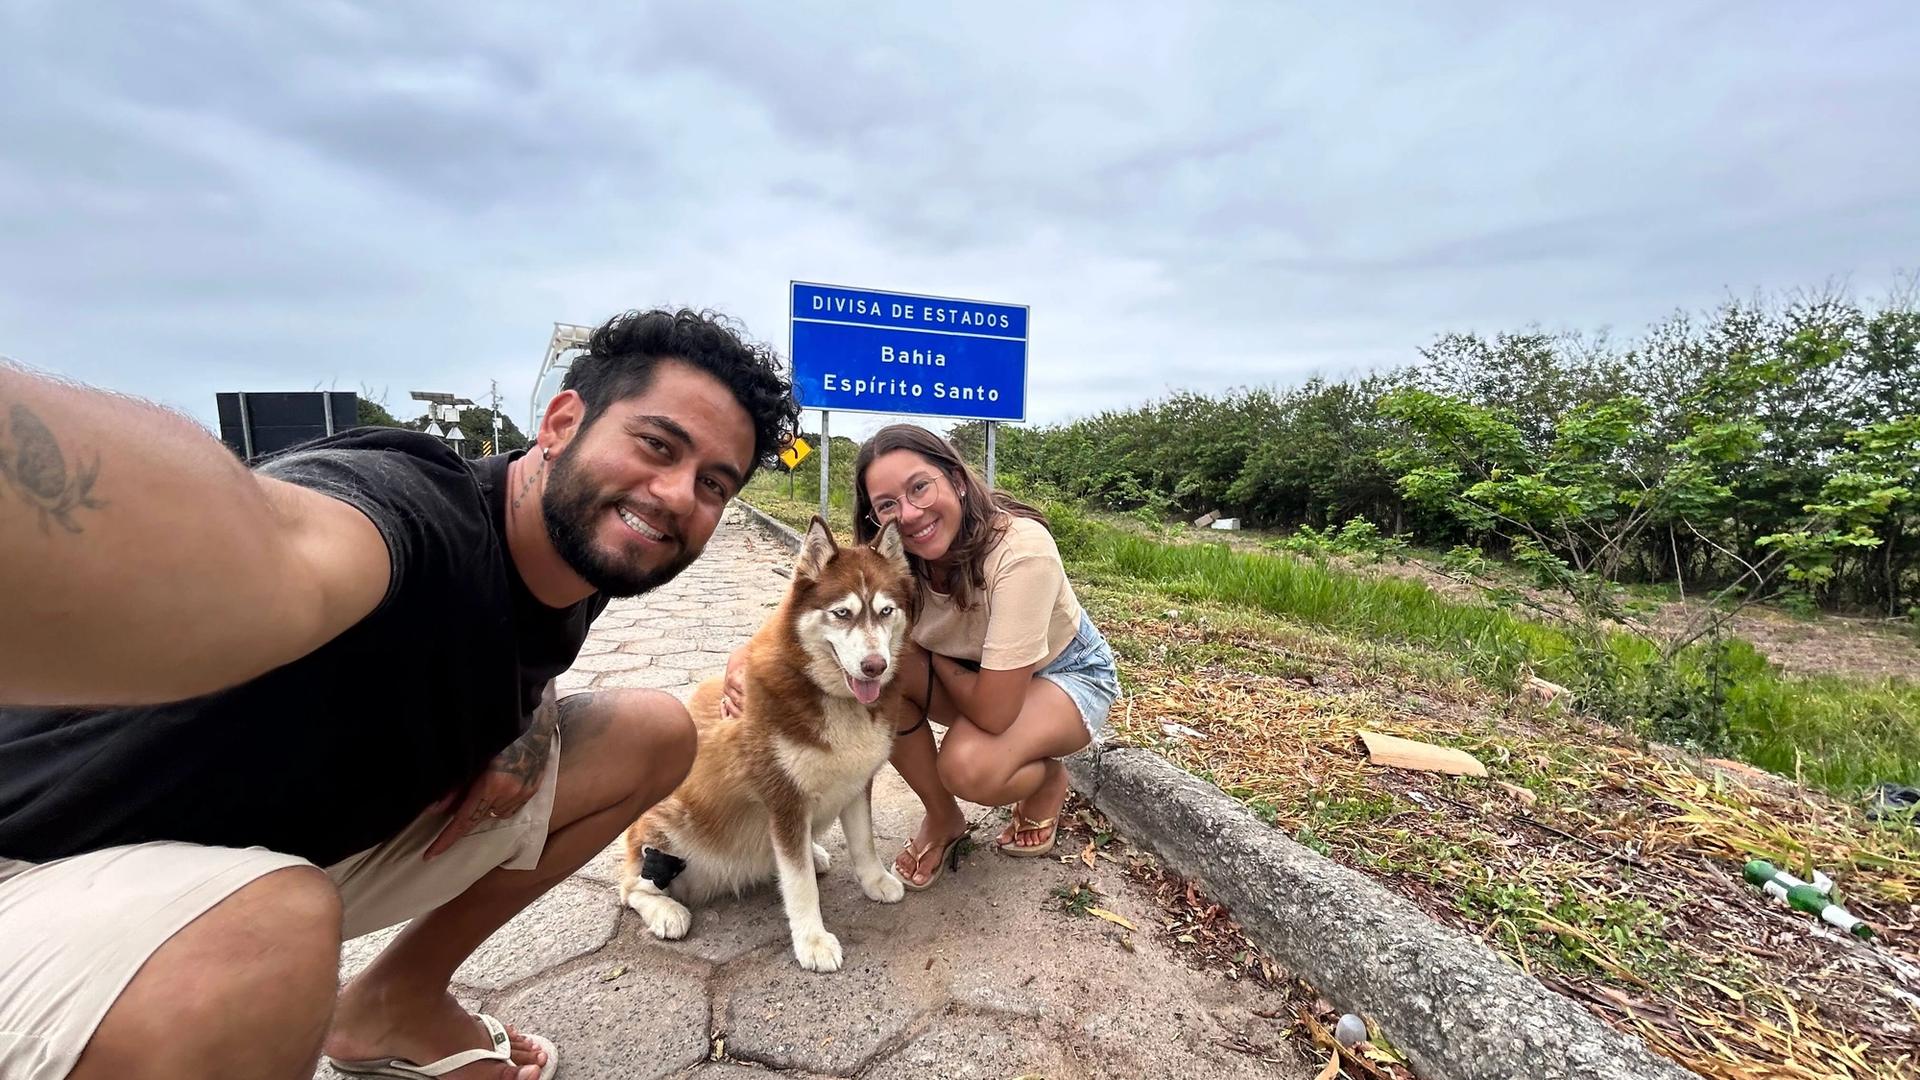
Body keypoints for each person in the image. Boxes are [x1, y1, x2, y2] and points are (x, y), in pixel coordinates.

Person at [0, 308, 799, 1080]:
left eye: (713, 485)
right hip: (45, 866)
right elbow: (272, 544)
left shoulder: (569, 561)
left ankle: (393, 1003)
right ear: (560, 424)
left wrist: (527, 715)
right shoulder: (414, 513)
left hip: (269, 850)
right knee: (265, 934)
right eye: (657, 445)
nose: (676, 494)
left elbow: (511, 631)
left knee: (653, 732)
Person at [722, 424, 1120, 890]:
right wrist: (744, 657)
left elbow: (995, 710)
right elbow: (806, 607)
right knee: (876, 675)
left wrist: (924, 662)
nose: (909, 514)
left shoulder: (1020, 551)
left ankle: (1046, 778)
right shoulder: (893, 561)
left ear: (954, 477)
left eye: (919, 487)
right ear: (876, 518)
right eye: (888, 504)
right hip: (977, 677)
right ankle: (943, 816)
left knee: (967, 766)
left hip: (1063, 672)